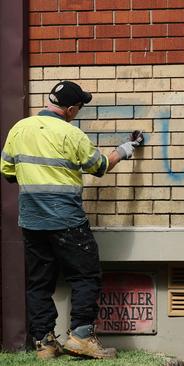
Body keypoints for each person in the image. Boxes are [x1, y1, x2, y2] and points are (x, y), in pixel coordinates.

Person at [0, 80, 143, 360]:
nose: (77, 113)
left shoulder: (19, 128)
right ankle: (81, 336)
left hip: (32, 220)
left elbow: (7, 172)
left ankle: (45, 342)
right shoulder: (71, 134)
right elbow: (100, 166)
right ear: (70, 108)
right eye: (78, 108)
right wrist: (126, 148)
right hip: (66, 219)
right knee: (86, 275)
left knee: (39, 281)